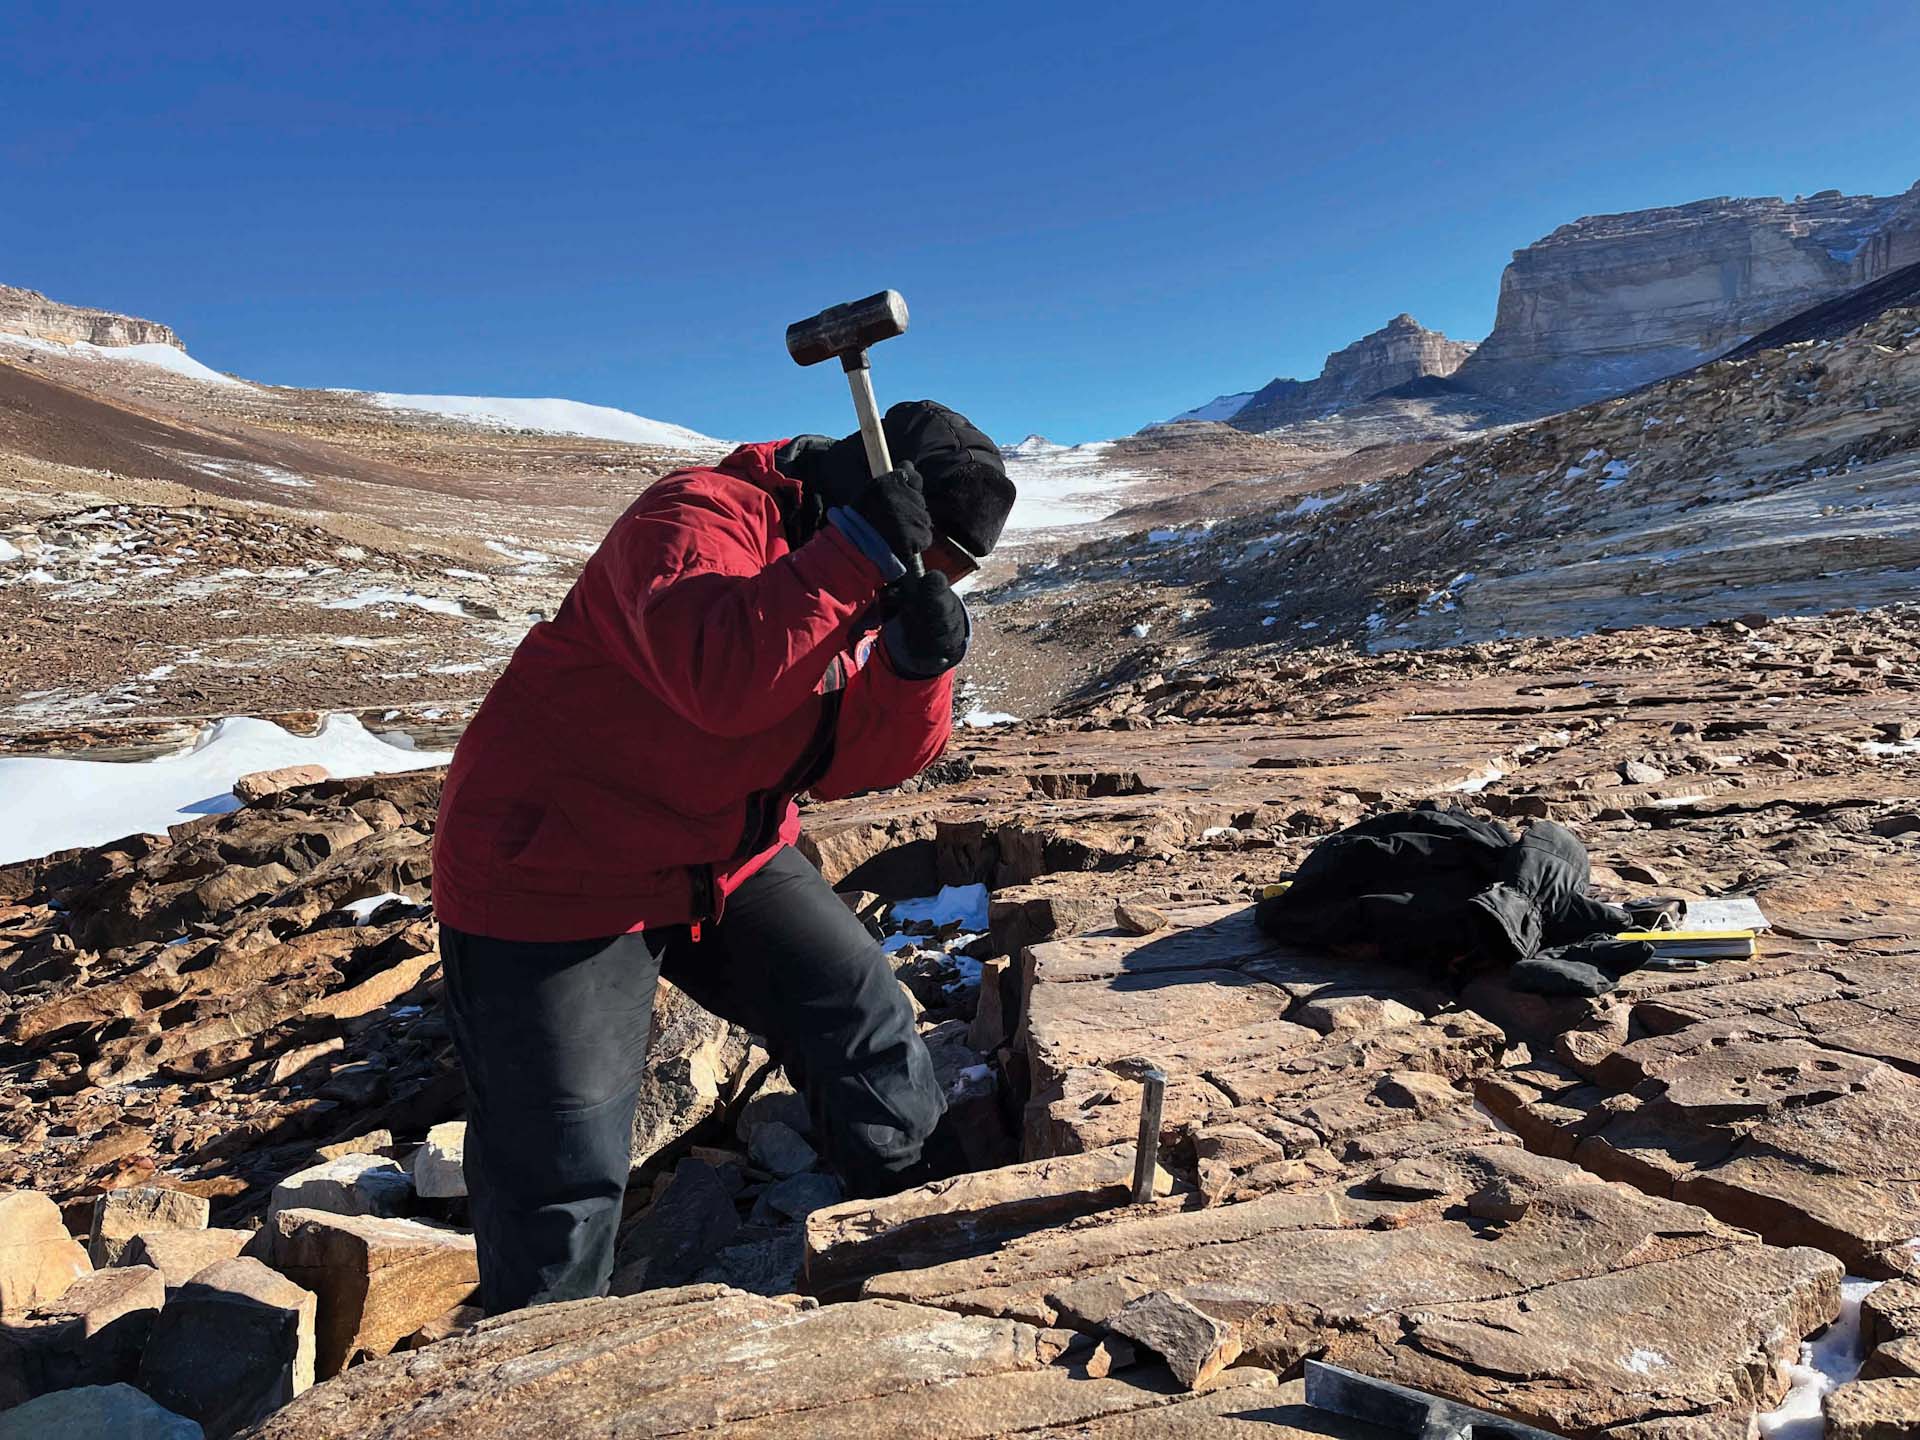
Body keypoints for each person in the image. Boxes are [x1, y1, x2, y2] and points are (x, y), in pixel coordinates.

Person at [430, 399, 1017, 1314]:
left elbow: (845, 766)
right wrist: (858, 554)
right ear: (875, 491)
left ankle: (920, 1239)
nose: (935, 576)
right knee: (566, 1169)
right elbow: (721, 678)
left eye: (957, 571)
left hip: (720, 852)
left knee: (858, 1006)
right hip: (554, 870)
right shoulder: (697, 516)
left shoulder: (856, 557)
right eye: (936, 554)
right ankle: (537, 1358)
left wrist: (914, 670)